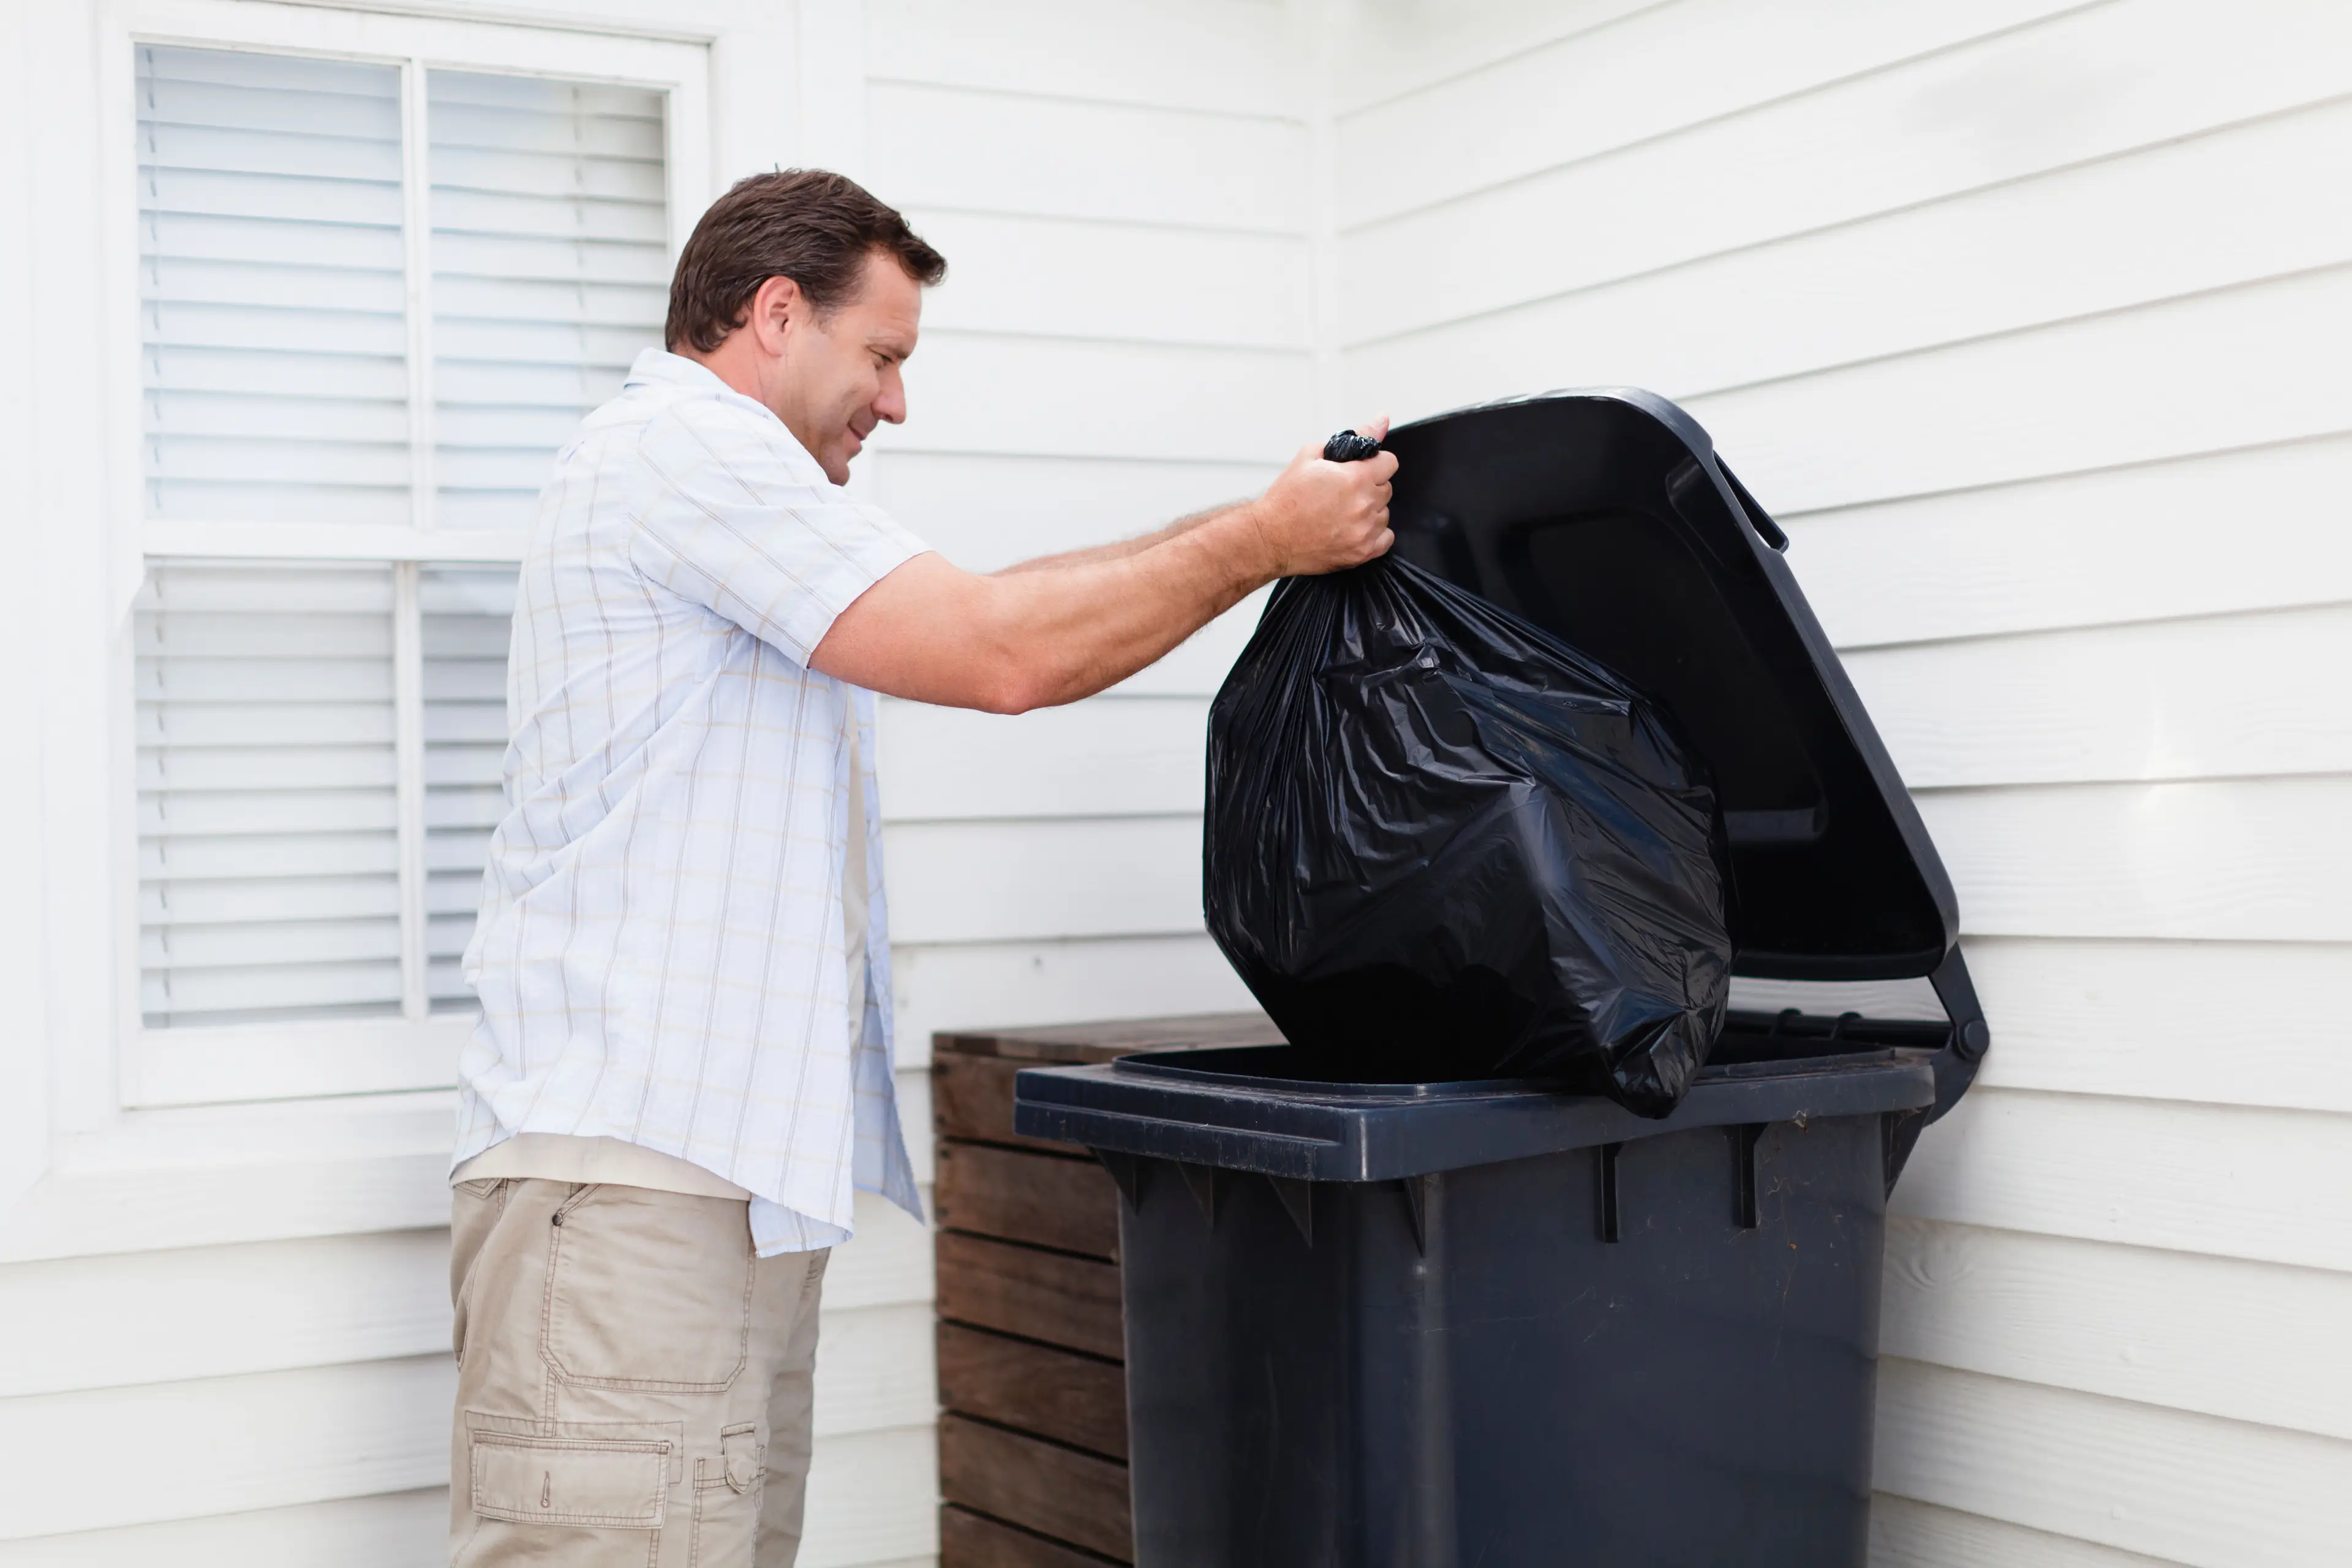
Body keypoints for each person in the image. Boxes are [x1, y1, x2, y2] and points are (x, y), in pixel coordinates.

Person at [443, 168, 1396, 1567]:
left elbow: (994, 603)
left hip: (695, 1194)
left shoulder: (718, 481)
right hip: (636, 1199)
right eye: (882, 355)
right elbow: (1003, 652)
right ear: (778, 313)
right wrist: (1265, 541)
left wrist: (1264, 522)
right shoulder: (685, 449)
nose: (895, 402)